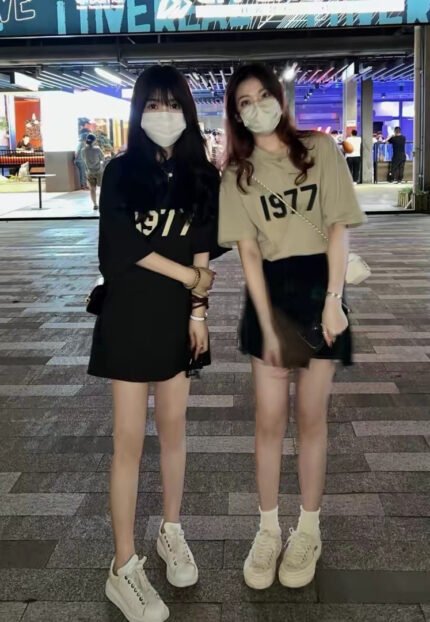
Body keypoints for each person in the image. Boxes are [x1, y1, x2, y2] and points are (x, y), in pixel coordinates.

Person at [218, 63, 366, 592]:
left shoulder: (320, 150)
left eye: (263, 95)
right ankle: (267, 529)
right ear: (236, 115)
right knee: (268, 421)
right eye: (244, 102)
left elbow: (338, 228)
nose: (256, 106)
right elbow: (248, 254)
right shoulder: (237, 174)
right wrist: (265, 324)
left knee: (311, 419)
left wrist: (334, 300)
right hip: (271, 294)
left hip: (321, 289)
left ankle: (308, 528)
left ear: (279, 98)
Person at [88, 65, 223, 622]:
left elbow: (203, 245)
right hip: (127, 316)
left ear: (186, 112)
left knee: (173, 431)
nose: (163, 114)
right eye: (153, 104)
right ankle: (122, 566)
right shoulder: (121, 172)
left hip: (175, 319)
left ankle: (171, 531)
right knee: (128, 441)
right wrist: (189, 278)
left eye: (172, 104)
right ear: (138, 111)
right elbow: (120, 248)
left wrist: (198, 311)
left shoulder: (202, 175)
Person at [82, 133, 105, 210]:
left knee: (92, 189)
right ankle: (103, 203)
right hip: (99, 171)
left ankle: (95, 204)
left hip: (90, 172)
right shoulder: (97, 149)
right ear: (94, 140)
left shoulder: (83, 150)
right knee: (102, 188)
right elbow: (103, 159)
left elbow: (84, 160)